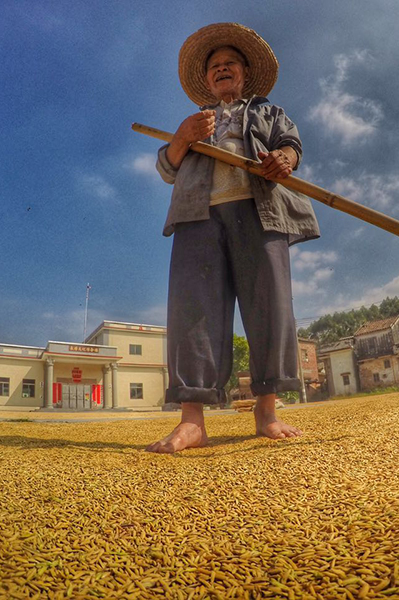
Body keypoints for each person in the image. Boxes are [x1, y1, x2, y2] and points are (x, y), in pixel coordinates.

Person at [146, 23, 320, 453]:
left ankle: (267, 411)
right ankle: (192, 422)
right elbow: (167, 169)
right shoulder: (195, 123)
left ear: (243, 73)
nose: (222, 70)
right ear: (207, 80)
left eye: (230, 64)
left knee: (269, 306)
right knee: (193, 312)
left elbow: (292, 145)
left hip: (259, 211)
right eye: (215, 67)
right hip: (197, 216)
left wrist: (284, 158)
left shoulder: (269, 113)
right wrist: (184, 137)